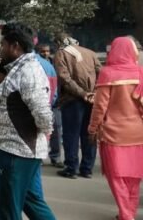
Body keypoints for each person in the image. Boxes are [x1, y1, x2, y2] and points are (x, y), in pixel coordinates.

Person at [0, 23, 55, 220]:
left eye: (3, 45)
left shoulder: (29, 71)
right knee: (32, 202)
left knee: (8, 209)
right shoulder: (19, 69)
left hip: (18, 151)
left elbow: (43, 113)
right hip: (18, 149)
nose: (0, 50)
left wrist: (43, 133)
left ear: (15, 46)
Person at [88, 36, 143, 220]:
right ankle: (128, 213)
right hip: (138, 133)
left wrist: (92, 128)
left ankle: (126, 215)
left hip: (114, 134)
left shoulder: (108, 73)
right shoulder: (140, 73)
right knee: (134, 177)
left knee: (117, 177)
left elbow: (100, 106)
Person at [53, 32, 101, 179]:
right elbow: (101, 74)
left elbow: (64, 78)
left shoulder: (61, 54)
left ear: (58, 43)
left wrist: (82, 93)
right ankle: (87, 168)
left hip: (72, 99)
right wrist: (93, 92)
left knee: (71, 135)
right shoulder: (91, 53)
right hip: (91, 99)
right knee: (89, 133)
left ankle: (71, 168)